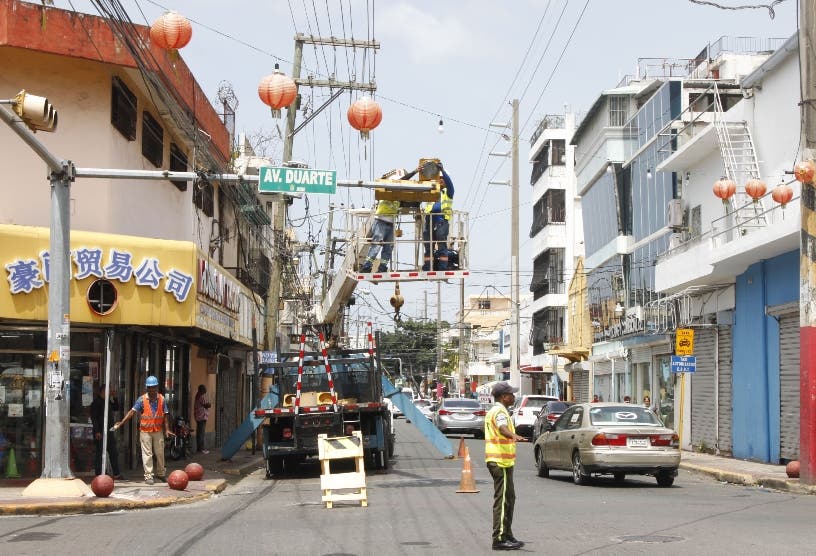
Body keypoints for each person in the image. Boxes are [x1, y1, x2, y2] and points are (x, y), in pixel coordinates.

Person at [484, 382, 526, 551]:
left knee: (510, 499)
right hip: (499, 460)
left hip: (504, 461)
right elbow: (502, 429)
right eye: (511, 394)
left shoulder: (500, 410)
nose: (514, 397)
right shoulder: (499, 411)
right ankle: (499, 538)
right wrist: (515, 435)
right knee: (502, 501)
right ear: (503, 396)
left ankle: (507, 533)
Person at [114, 375, 174, 485]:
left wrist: (167, 429)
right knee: (147, 454)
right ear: (147, 388)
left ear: (157, 387)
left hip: (158, 430)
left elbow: (166, 414)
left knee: (160, 453)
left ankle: (161, 474)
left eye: (154, 387)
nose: (152, 390)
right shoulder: (142, 400)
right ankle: (148, 476)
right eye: (150, 387)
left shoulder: (162, 399)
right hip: (145, 431)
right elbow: (132, 412)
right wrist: (122, 422)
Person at [422, 164, 454, 271]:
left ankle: (442, 267)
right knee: (428, 246)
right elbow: (423, 184)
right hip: (429, 220)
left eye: (442, 179)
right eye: (439, 178)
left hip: (442, 221)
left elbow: (450, 184)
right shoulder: (431, 192)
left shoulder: (448, 192)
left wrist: (442, 170)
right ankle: (427, 267)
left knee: (441, 245)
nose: (440, 180)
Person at [90, 384, 123, 479]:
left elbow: (116, 407)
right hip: (100, 432)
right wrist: (97, 431)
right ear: (103, 391)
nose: (109, 392)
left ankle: (116, 473)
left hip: (109, 431)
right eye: (108, 391)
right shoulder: (96, 403)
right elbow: (94, 418)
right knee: (100, 453)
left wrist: (115, 397)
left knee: (113, 452)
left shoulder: (107, 401)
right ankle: (99, 474)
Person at [360, 198, 400, 273]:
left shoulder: (398, 196)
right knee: (376, 246)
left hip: (391, 223)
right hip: (381, 221)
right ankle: (367, 266)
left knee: (388, 247)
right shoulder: (385, 193)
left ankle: (382, 267)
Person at [194, 384, 211, 454]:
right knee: (201, 433)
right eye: (204, 389)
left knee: (199, 432)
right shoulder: (201, 397)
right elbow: (207, 405)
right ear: (202, 390)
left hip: (198, 416)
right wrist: (209, 404)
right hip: (202, 416)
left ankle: (199, 448)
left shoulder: (197, 396)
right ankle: (201, 449)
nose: (205, 390)